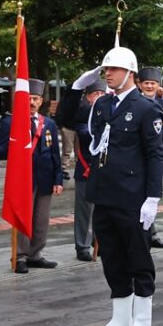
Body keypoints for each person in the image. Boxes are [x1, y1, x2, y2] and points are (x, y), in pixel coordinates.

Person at [66, 46, 163, 326]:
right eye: (106, 69)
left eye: (114, 70)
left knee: (138, 259)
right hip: (104, 194)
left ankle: (142, 324)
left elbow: (155, 155)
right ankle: (121, 321)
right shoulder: (101, 104)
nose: (108, 74)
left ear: (130, 72)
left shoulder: (147, 108)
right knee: (111, 258)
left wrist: (153, 197)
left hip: (132, 198)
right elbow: (67, 118)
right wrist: (76, 89)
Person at [0, 79, 63, 273]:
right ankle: (20, 256)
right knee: (22, 217)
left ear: (41, 101)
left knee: (41, 219)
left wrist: (58, 179)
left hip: (45, 178)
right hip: (23, 179)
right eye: (28, 98)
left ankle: (35, 254)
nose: (32, 103)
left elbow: (55, 154)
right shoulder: (10, 121)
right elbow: (1, 152)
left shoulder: (48, 123)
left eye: (35, 99)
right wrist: (16, 142)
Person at [56, 78, 107, 261]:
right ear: (88, 97)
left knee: (102, 210)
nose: (99, 97)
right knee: (84, 210)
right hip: (86, 168)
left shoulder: (110, 113)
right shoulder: (81, 113)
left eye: (102, 94)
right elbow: (65, 118)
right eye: (95, 94)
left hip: (105, 170)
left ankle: (99, 242)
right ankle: (82, 246)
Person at [136, 67, 163, 249]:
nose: (150, 86)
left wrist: (162, 150)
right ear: (139, 84)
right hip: (138, 159)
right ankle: (143, 233)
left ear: (158, 85)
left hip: (157, 157)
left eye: (153, 83)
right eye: (146, 83)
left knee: (154, 194)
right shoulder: (134, 103)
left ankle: (153, 233)